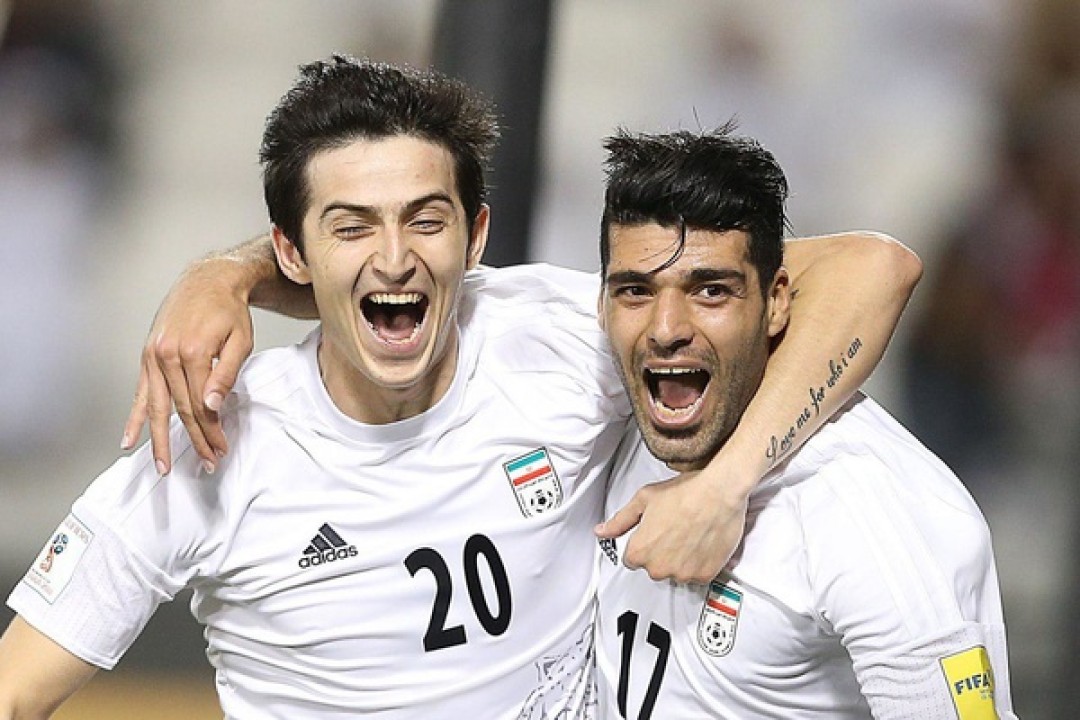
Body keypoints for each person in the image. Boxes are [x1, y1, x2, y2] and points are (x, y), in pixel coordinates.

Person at [0, 56, 919, 718]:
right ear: (291, 250)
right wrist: (224, 270)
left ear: (475, 237)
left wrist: (726, 486)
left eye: (425, 220)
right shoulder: (210, 444)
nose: (395, 257)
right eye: (350, 227)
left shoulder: (556, 338)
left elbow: (871, 269)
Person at [593, 126, 1017, 718]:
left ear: (777, 302)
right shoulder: (607, 402)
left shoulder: (869, 511)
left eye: (710, 291)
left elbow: (881, 262)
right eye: (636, 291)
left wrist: (723, 486)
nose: (666, 329)